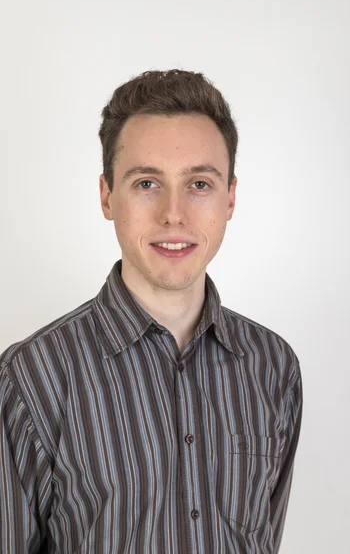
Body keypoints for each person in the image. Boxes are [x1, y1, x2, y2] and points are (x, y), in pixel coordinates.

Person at [0, 69, 302, 553]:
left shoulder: (274, 367)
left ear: (230, 198)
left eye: (199, 183)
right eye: (146, 183)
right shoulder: (32, 378)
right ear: (106, 196)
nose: (174, 214)